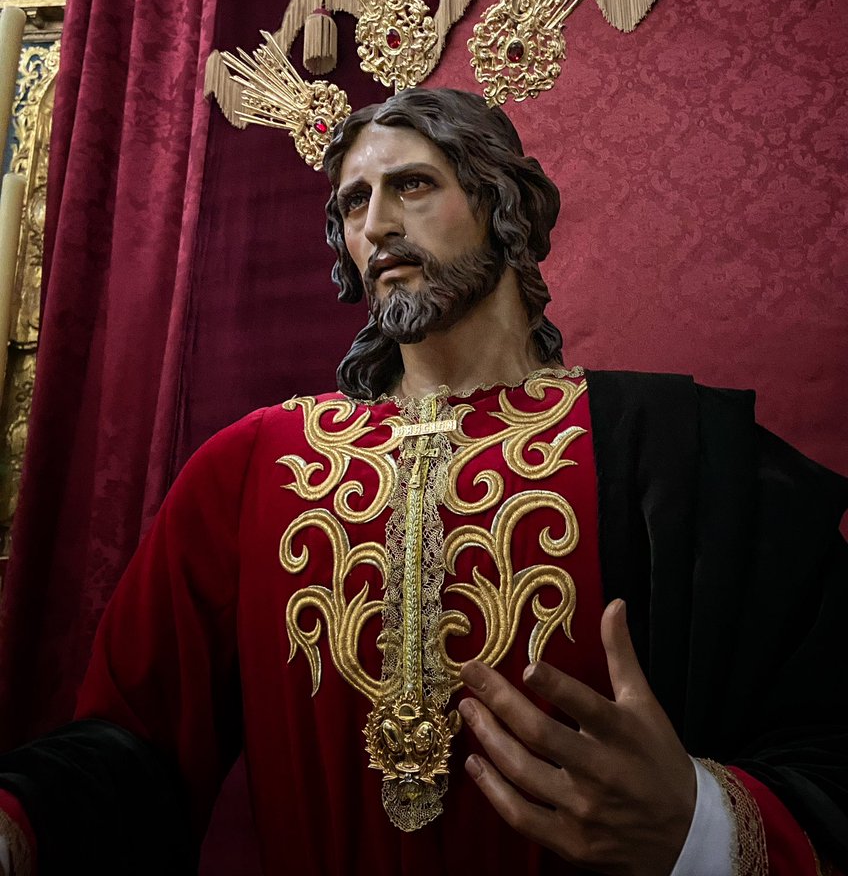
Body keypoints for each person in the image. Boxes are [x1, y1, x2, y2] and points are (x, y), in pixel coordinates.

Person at [0, 87, 846, 876]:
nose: (376, 225)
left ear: (499, 203)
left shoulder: (679, 452)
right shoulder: (254, 464)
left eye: (411, 185)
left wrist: (696, 823)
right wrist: (17, 822)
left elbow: (829, 739)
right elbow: (130, 743)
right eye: (352, 203)